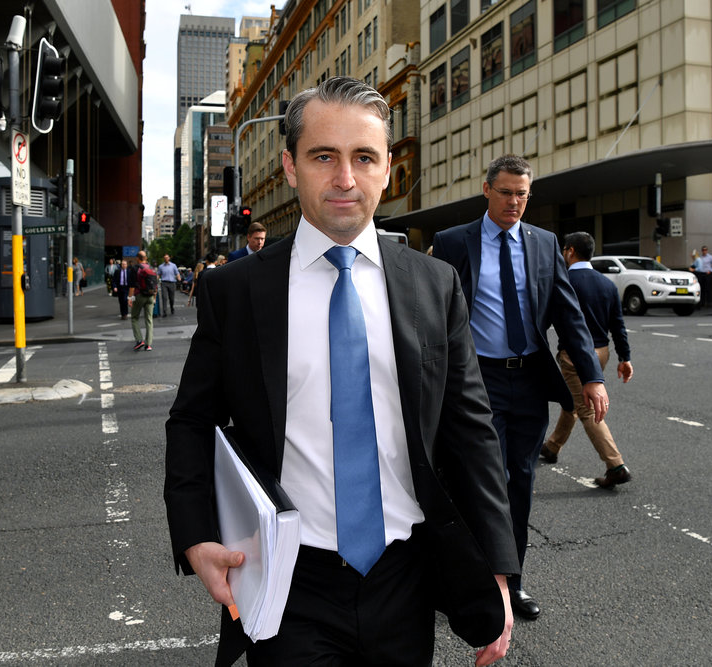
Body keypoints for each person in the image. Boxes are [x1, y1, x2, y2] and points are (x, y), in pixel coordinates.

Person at [165, 77, 517, 667]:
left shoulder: (435, 285)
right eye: (324, 156)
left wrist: (498, 572)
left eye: (364, 158)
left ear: (388, 170)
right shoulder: (236, 291)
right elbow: (192, 421)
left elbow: (472, 431)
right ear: (290, 166)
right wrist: (196, 536)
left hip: (406, 577)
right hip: (288, 582)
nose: (345, 179)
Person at [433, 154, 607, 622]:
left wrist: (592, 376)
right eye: (506, 192)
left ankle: (512, 582)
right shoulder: (453, 242)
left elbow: (569, 314)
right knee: (483, 481)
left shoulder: (544, 243)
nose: (514, 202)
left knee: (521, 482)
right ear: (486, 190)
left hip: (529, 379)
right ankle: (473, 580)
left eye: (522, 194)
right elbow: (432, 315)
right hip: (477, 380)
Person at [540, 232, 633, 487]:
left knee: (586, 408)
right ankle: (552, 446)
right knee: (573, 399)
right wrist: (625, 357)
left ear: (570, 251)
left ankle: (615, 465)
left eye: (563, 250)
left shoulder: (564, 282)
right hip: (601, 352)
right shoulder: (607, 285)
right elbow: (618, 325)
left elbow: (546, 319)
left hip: (574, 354)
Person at [128, 251, 155, 350]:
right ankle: (148, 344)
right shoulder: (151, 268)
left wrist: (130, 298)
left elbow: (132, 286)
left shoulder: (135, 268)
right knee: (149, 319)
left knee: (134, 318)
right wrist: (154, 297)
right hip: (150, 296)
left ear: (137, 258)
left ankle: (139, 340)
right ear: (145, 258)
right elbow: (155, 284)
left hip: (139, 295)